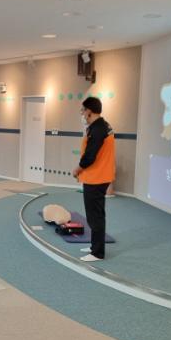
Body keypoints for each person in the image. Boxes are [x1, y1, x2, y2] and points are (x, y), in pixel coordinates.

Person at [72, 97, 115, 262]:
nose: (82, 113)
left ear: (89, 111)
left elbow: (90, 156)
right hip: (100, 176)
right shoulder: (101, 126)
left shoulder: (98, 129)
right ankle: (95, 246)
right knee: (97, 214)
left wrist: (77, 169)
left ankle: (97, 253)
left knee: (94, 216)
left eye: (83, 110)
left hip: (96, 178)